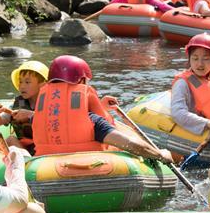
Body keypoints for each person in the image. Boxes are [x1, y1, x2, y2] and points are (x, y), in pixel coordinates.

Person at [16, 55, 174, 164]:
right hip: (90, 171)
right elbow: (131, 145)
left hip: (44, 172)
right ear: (82, 81)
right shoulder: (93, 121)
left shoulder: (38, 117)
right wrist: (161, 154)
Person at [0, 61, 49, 153]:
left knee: (10, 140)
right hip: (24, 148)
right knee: (10, 139)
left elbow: (54, 121)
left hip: (45, 149)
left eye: (27, 82)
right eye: (20, 82)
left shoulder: (51, 103)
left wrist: (31, 115)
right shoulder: (18, 104)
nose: (21, 86)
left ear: (43, 84)